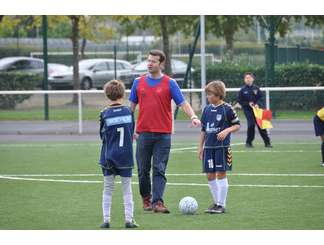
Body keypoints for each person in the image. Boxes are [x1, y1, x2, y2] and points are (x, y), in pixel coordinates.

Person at [129, 49, 201, 213]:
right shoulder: (137, 83)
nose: (149, 63)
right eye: (148, 60)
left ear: (161, 64)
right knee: (142, 171)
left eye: (153, 61)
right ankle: (146, 199)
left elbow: (183, 103)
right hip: (143, 134)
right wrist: (124, 126)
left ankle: (158, 202)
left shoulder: (170, 83)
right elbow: (130, 110)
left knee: (159, 169)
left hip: (163, 135)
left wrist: (193, 117)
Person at [99, 80, 138, 229]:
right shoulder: (129, 112)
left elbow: (102, 136)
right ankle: (129, 220)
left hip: (109, 156)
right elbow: (130, 132)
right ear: (122, 93)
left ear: (107, 95)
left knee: (108, 188)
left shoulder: (104, 113)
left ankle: (106, 220)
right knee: (127, 189)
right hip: (126, 156)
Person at [198, 80, 240, 214]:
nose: (208, 97)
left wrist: (226, 130)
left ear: (218, 94)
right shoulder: (206, 109)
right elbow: (203, 130)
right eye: (207, 94)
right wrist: (200, 147)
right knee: (210, 175)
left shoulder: (227, 109)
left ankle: (221, 204)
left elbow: (237, 125)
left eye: (210, 94)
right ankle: (216, 203)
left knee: (221, 174)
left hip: (222, 148)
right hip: (209, 148)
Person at [237, 72, 272, 148]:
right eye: (246, 78)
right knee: (251, 125)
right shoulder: (242, 90)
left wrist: (257, 104)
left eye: (249, 78)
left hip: (258, 110)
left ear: (253, 79)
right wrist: (247, 104)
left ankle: (267, 143)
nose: (248, 79)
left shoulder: (256, 88)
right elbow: (240, 101)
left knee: (261, 126)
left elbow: (261, 98)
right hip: (248, 110)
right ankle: (248, 143)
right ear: (244, 80)